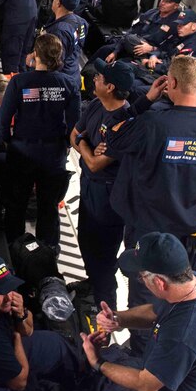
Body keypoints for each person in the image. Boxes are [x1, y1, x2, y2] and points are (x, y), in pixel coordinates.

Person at [106, 54, 196, 313]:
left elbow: (114, 137)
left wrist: (145, 101)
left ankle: (140, 347)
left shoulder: (154, 124)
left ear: (170, 82)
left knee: (145, 296)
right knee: (179, 297)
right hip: (191, 233)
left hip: (149, 230)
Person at [81, 232, 196, 391]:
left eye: (141, 276)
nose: (140, 280)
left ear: (160, 282)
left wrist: (98, 362)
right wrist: (119, 319)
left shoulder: (183, 336)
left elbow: (146, 385)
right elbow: (155, 311)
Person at [0, 255, 83, 391]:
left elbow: (28, 330)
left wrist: (21, 314)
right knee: (58, 347)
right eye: (0, 291)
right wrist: (17, 337)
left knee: (54, 341)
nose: (8, 297)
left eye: (8, 287)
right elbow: (19, 383)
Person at [0, 34, 80, 249]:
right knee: (49, 206)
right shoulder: (69, 84)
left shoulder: (19, 82)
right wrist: (65, 145)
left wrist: (8, 141)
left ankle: (14, 247)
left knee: (16, 204)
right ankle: (48, 251)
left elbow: (4, 119)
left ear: (36, 54)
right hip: (53, 154)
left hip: (22, 151)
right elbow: (74, 123)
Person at [70, 60, 135, 311]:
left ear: (110, 87)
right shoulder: (97, 104)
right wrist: (86, 147)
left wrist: (84, 145)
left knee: (105, 259)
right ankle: (92, 283)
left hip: (109, 197)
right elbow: (74, 135)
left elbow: (96, 163)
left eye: (99, 77)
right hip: (89, 186)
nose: (94, 78)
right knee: (86, 242)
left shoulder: (127, 124)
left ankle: (106, 310)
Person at [95, 0, 184, 63]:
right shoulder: (152, 13)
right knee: (105, 50)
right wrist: (116, 51)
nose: (162, 3)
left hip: (150, 54)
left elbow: (169, 50)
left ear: (175, 6)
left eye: (167, 2)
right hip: (133, 43)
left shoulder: (175, 24)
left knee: (120, 65)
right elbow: (132, 30)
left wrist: (152, 49)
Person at [42, 0, 88, 87]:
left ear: (58, 3)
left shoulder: (59, 31)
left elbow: (55, 64)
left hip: (60, 82)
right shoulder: (81, 22)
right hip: (73, 74)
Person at [139, 7, 196, 75]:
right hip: (155, 63)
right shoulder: (177, 36)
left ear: (194, 26)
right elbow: (162, 48)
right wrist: (153, 56)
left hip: (164, 75)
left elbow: (174, 67)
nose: (179, 27)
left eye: (182, 25)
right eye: (178, 24)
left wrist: (147, 64)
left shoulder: (193, 45)